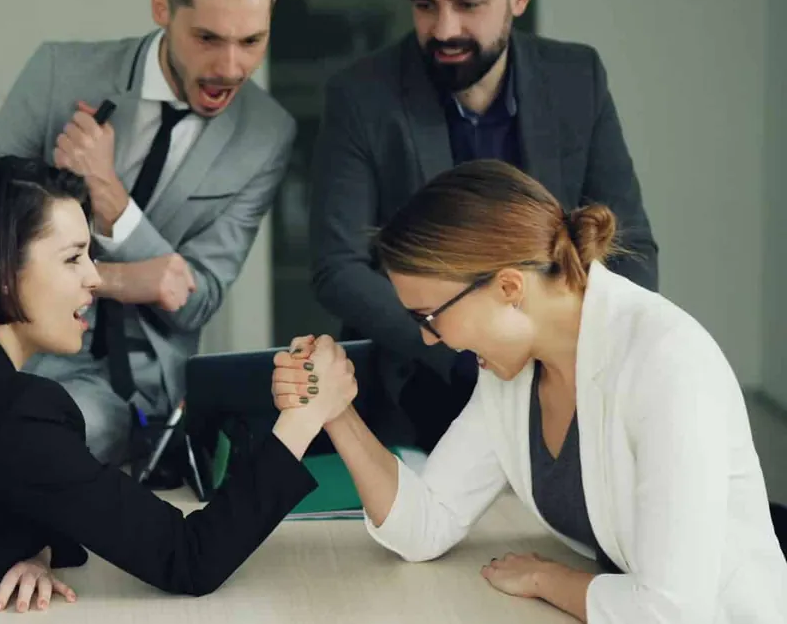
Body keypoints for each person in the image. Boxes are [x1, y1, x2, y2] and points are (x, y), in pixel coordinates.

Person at [0, 156, 356, 624]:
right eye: (72, 258)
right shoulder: (11, 410)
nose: (94, 280)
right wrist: (303, 418)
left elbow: (8, 498)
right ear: (0, 273)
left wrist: (35, 547)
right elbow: (189, 559)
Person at [276, 160, 787, 623]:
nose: (428, 338)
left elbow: (671, 614)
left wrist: (549, 579)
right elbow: (425, 525)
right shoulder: (516, 372)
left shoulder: (666, 364)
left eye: (429, 317)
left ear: (509, 288)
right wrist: (335, 410)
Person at [309, 0, 659, 454]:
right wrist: (457, 352)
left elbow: (631, 246)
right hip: (424, 378)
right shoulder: (362, 95)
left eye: (468, 4)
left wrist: (586, 354)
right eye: (424, 5)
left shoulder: (576, 78)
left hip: (566, 371)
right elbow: (337, 268)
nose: (444, 28)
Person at [0, 0, 295, 467]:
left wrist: (109, 194)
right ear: (161, 8)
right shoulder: (61, 72)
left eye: (252, 41)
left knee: (46, 440)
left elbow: (196, 299)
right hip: (7, 349)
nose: (231, 68)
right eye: (207, 38)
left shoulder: (267, 134)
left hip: (126, 386)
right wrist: (130, 278)